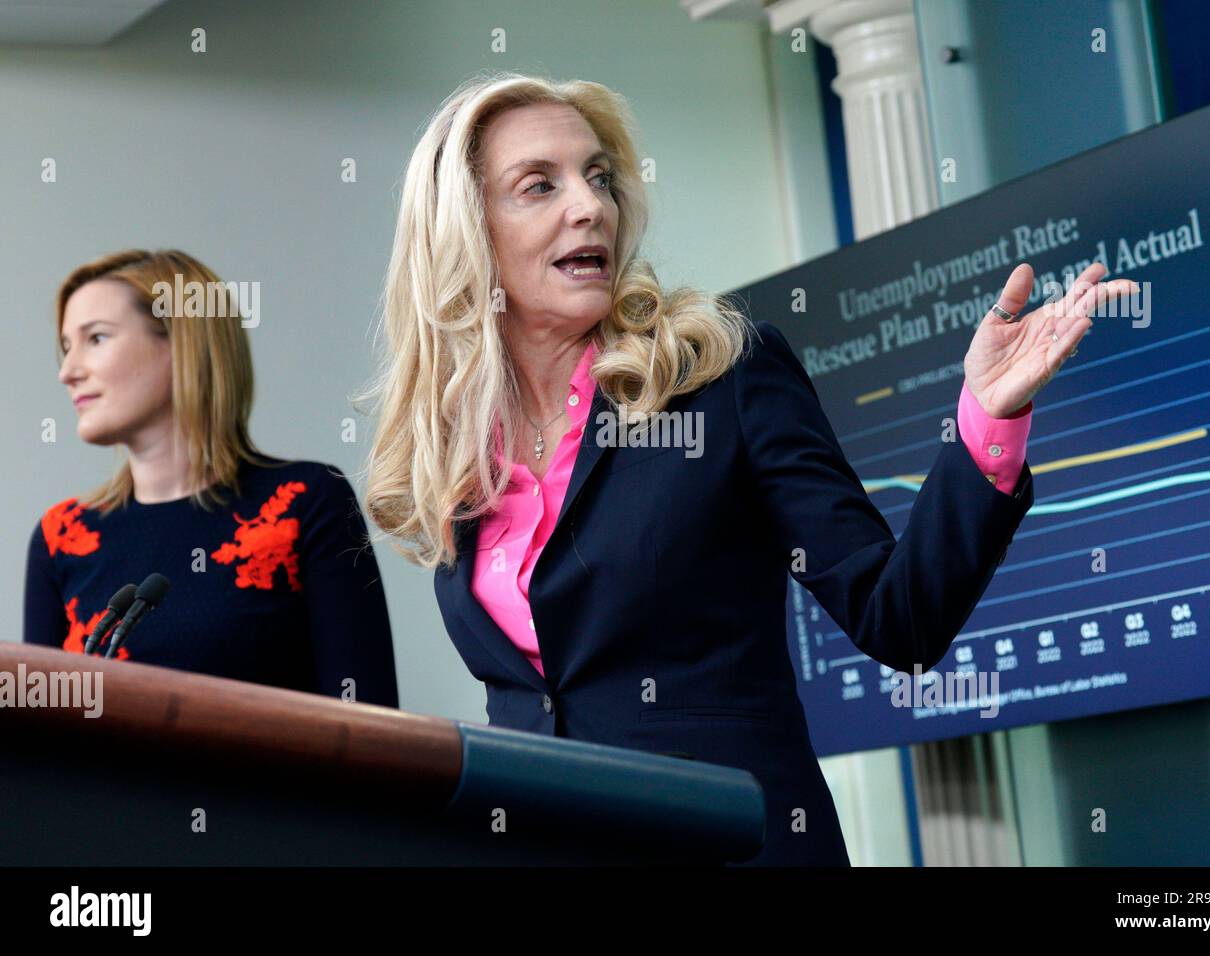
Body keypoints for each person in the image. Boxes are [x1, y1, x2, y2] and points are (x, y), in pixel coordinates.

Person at [356, 71, 1135, 864]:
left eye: (597, 177)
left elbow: (898, 619)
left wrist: (987, 419)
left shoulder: (723, 377)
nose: (588, 205)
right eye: (538, 186)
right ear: (466, 232)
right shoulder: (458, 455)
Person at [23, 249, 399, 707]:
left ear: (183, 344)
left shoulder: (303, 502)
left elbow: (369, 725)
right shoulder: (61, 536)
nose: (68, 372)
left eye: (96, 339)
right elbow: (36, 741)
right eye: (65, 347)